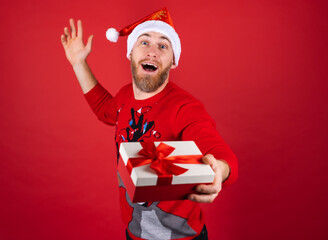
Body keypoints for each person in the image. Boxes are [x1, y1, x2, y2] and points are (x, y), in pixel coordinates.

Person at [61, 7, 238, 240]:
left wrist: (220, 170)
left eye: (163, 45)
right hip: (134, 234)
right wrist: (78, 63)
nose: (153, 51)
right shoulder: (124, 97)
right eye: (144, 42)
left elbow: (222, 155)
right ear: (130, 53)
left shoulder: (185, 107)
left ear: (173, 61)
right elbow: (104, 110)